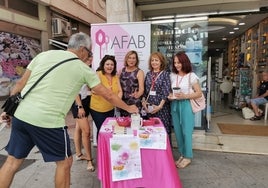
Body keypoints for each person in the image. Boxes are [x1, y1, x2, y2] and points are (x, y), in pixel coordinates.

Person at [0, 32, 138, 188]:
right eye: (90, 51)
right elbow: (108, 95)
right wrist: (129, 108)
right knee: (65, 162)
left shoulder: (44, 55)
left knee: (12, 161)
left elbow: (19, 85)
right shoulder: (82, 68)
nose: (89, 55)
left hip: (22, 116)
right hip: (48, 122)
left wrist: (8, 112)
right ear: (82, 49)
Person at [167, 51, 203, 169]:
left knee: (186, 131)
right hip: (175, 105)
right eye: (175, 62)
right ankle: (182, 154)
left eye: (179, 62)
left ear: (184, 62)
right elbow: (171, 91)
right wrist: (170, 96)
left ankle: (188, 156)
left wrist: (185, 96)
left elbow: (198, 93)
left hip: (186, 104)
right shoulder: (172, 76)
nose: (177, 65)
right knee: (177, 131)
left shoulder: (191, 76)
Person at [70, 56, 95, 171]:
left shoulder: (89, 70)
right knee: (87, 131)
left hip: (86, 100)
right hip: (77, 102)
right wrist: (79, 106)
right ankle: (89, 161)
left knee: (78, 128)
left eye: (91, 58)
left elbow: (88, 87)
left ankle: (79, 154)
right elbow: (74, 90)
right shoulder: (76, 70)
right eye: (87, 58)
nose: (90, 60)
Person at [90, 55, 122, 140]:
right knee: (101, 130)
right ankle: (100, 152)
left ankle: (107, 150)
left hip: (110, 108)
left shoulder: (115, 76)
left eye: (112, 64)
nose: (110, 66)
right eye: (107, 64)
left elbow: (120, 91)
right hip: (98, 109)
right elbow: (94, 90)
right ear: (103, 65)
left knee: (109, 130)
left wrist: (117, 101)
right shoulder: (98, 74)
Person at [141, 52, 172, 140]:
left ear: (161, 62)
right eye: (152, 60)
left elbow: (166, 92)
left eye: (156, 60)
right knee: (150, 130)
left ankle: (164, 153)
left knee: (162, 130)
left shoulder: (165, 74)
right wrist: (144, 103)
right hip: (149, 108)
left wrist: (159, 106)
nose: (154, 62)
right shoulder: (148, 74)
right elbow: (145, 92)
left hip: (161, 108)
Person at [119, 50, 144, 116]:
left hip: (134, 102)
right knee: (124, 123)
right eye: (129, 58)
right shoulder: (122, 70)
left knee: (135, 123)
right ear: (126, 59)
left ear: (136, 60)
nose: (131, 60)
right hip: (123, 103)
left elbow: (142, 89)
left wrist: (137, 95)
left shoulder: (139, 72)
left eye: (133, 58)